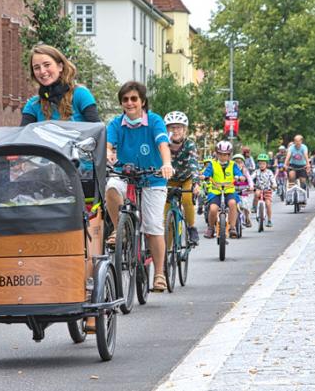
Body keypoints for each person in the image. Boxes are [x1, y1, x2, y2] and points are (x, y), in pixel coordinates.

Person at [106, 81, 173, 292]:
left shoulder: (154, 121)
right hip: (126, 175)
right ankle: (122, 229)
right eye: (125, 99)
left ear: (142, 101)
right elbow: (108, 144)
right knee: (110, 187)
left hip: (152, 177)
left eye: (134, 99)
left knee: (153, 227)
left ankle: (160, 273)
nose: (129, 103)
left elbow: (163, 144)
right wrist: (107, 153)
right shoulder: (116, 124)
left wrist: (167, 164)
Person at [21, 44, 100, 125]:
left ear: (60, 66)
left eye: (47, 65)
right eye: (37, 68)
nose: (42, 71)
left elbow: (97, 131)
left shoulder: (80, 94)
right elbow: (23, 135)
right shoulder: (33, 104)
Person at [164, 111, 200, 244]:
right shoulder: (164, 144)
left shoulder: (189, 144)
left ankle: (191, 227)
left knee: (187, 199)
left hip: (186, 178)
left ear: (184, 129)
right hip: (169, 180)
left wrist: (196, 183)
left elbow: (194, 164)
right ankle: (166, 254)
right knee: (165, 214)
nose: (175, 130)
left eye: (179, 127)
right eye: (172, 127)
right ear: (167, 129)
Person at [202, 141, 244, 239]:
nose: (223, 157)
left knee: (233, 203)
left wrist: (241, 177)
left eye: (225, 154)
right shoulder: (212, 164)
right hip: (215, 190)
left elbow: (239, 173)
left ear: (229, 155)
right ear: (216, 154)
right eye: (220, 154)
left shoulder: (233, 165)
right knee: (213, 209)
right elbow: (207, 173)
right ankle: (210, 228)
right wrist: (204, 176)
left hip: (229, 190)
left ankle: (232, 228)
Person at [253, 153, 277, 227]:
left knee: (268, 204)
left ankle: (269, 220)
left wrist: (274, 185)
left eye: (263, 163)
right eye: (260, 164)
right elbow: (251, 178)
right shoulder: (256, 172)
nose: (262, 165)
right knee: (256, 194)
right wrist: (250, 184)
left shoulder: (269, 172)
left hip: (267, 190)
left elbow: (273, 179)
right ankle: (254, 207)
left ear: (267, 164)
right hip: (259, 188)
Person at [232, 153, 253, 228]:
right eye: (236, 162)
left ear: (243, 163)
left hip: (243, 190)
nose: (238, 164)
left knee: (245, 204)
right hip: (233, 191)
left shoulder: (245, 171)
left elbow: (250, 179)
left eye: (240, 162)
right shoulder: (231, 171)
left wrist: (251, 186)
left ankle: (247, 218)